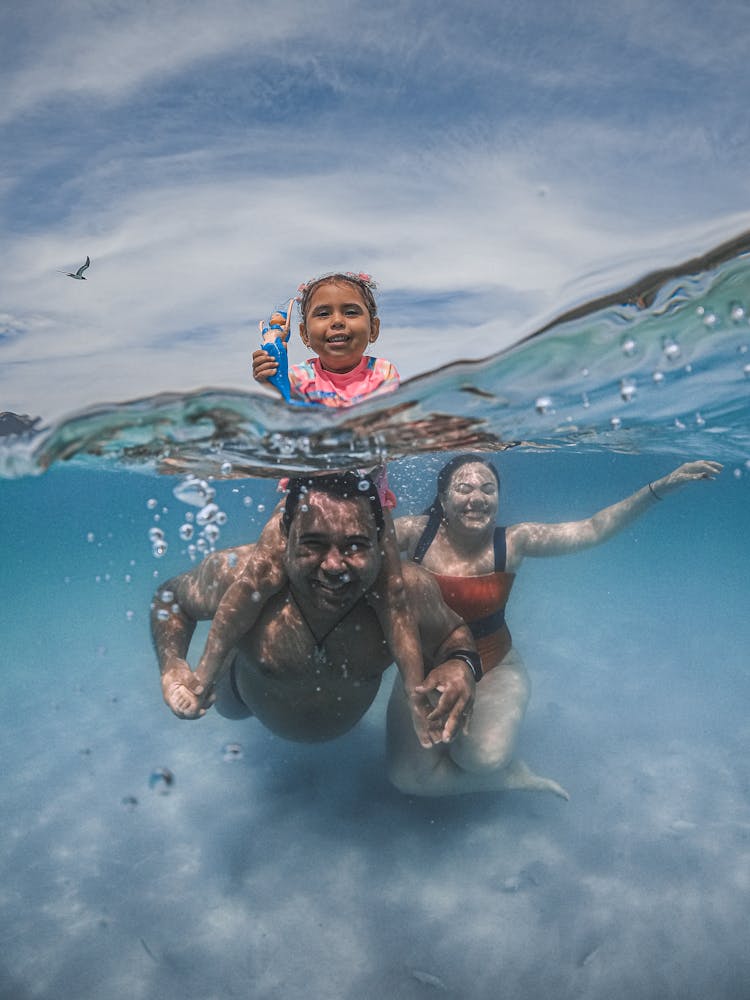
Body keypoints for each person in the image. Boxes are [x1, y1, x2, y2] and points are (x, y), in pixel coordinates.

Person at [165, 273, 433, 744]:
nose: (337, 323)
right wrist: (272, 379)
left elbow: (366, 415)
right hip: (304, 501)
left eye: (351, 312)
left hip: (368, 504)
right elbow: (288, 408)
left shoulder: (383, 373)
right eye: (323, 314)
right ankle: (205, 674)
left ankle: (415, 690)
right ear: (305, 335)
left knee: (393, 592)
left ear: (373, 328)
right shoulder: (302, 375)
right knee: (255, 578)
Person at [387, 454, 723, 798]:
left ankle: (503, 773)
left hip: (494, 667)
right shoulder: (416, 533)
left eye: (489, 489)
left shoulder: (514, 541)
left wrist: (661, 488)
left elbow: (593, 529)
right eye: (464, 488)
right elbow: (361, 543)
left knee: (482, 759)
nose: (477, 498)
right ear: (443, 499)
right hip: (425, 669)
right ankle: (496, 776)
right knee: (408, 778)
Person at [152, 472, 477, 748]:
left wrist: (461, 665)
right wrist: (172, 665)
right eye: (313, 544)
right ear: (286, 540)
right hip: (236, 697)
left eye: (355, 546)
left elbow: (454, 634)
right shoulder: (233, 573)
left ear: (379, 544)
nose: (334, 566)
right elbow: (171, 598)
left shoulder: (407, 591)